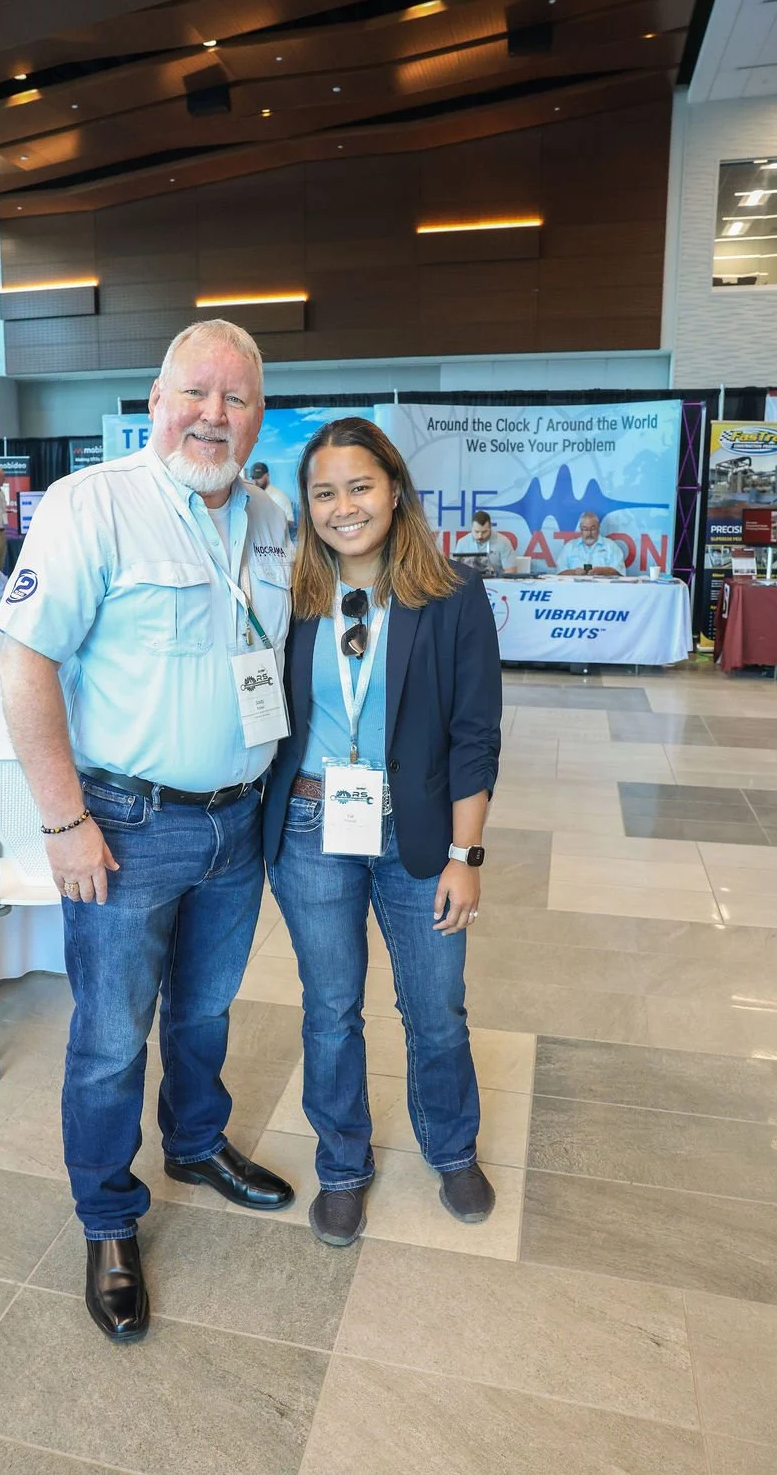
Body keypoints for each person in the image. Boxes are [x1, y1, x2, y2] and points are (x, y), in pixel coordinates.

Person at [0, 319, 295, 1346]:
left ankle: (195, 1143)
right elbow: (24, 665)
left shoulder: (273, 517)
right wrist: (62, 820)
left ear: (260, 416)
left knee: (205, 1013)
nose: (215, 414)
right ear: (156, 400)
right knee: (112, 1035)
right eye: (196, 393)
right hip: (124, 826)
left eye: (238, 398)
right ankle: (108, 1217)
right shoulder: (93, 506)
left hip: (236, 823)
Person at [263, 417, 502, 1247]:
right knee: (330, 1007)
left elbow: (475, 733)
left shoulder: (452, 595)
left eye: (359, 486)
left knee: (434, 1006)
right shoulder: (289, 598)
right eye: (323, 492)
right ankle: (342, 1164)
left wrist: (466, 855)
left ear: (394, 490)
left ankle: (451, 1146)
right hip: (309, 824)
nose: (343, 507)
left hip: (420, 831)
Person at [557, 512, 626, 576]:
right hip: (575, 588)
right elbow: (559, 572)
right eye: (585, 529)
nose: (589, 533)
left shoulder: (611, 546)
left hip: (603, 588)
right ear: (580, 529)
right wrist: (574, 572)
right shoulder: (570, 547)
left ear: (599, 527)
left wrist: (602, 571)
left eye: (592, 529)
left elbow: (620, 572)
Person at [454, 510, 513, 575]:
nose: (480, 536)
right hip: (469, 582)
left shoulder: (503, 542)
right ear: (471, 528)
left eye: (484, 532)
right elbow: (454, 570)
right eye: (476, 531)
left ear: (490, 528)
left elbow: (511, 572)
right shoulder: (462, 543)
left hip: (495, 582)